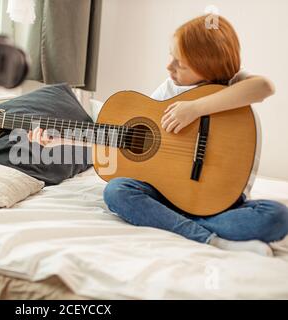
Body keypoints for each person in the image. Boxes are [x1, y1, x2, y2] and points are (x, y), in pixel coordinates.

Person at [28, 15, 288, 256]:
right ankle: (211, 238)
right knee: (117, 190)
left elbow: (263, 87)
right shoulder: (169, 88)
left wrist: (195, 108)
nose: (169, 66)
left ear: (208, 66)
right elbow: (125, 137)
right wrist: (62, 139)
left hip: (215, 197)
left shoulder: (235, 82)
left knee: (278, 216)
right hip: (164, 193)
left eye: (181, 64)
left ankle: (169, 219)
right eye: (171, 56)